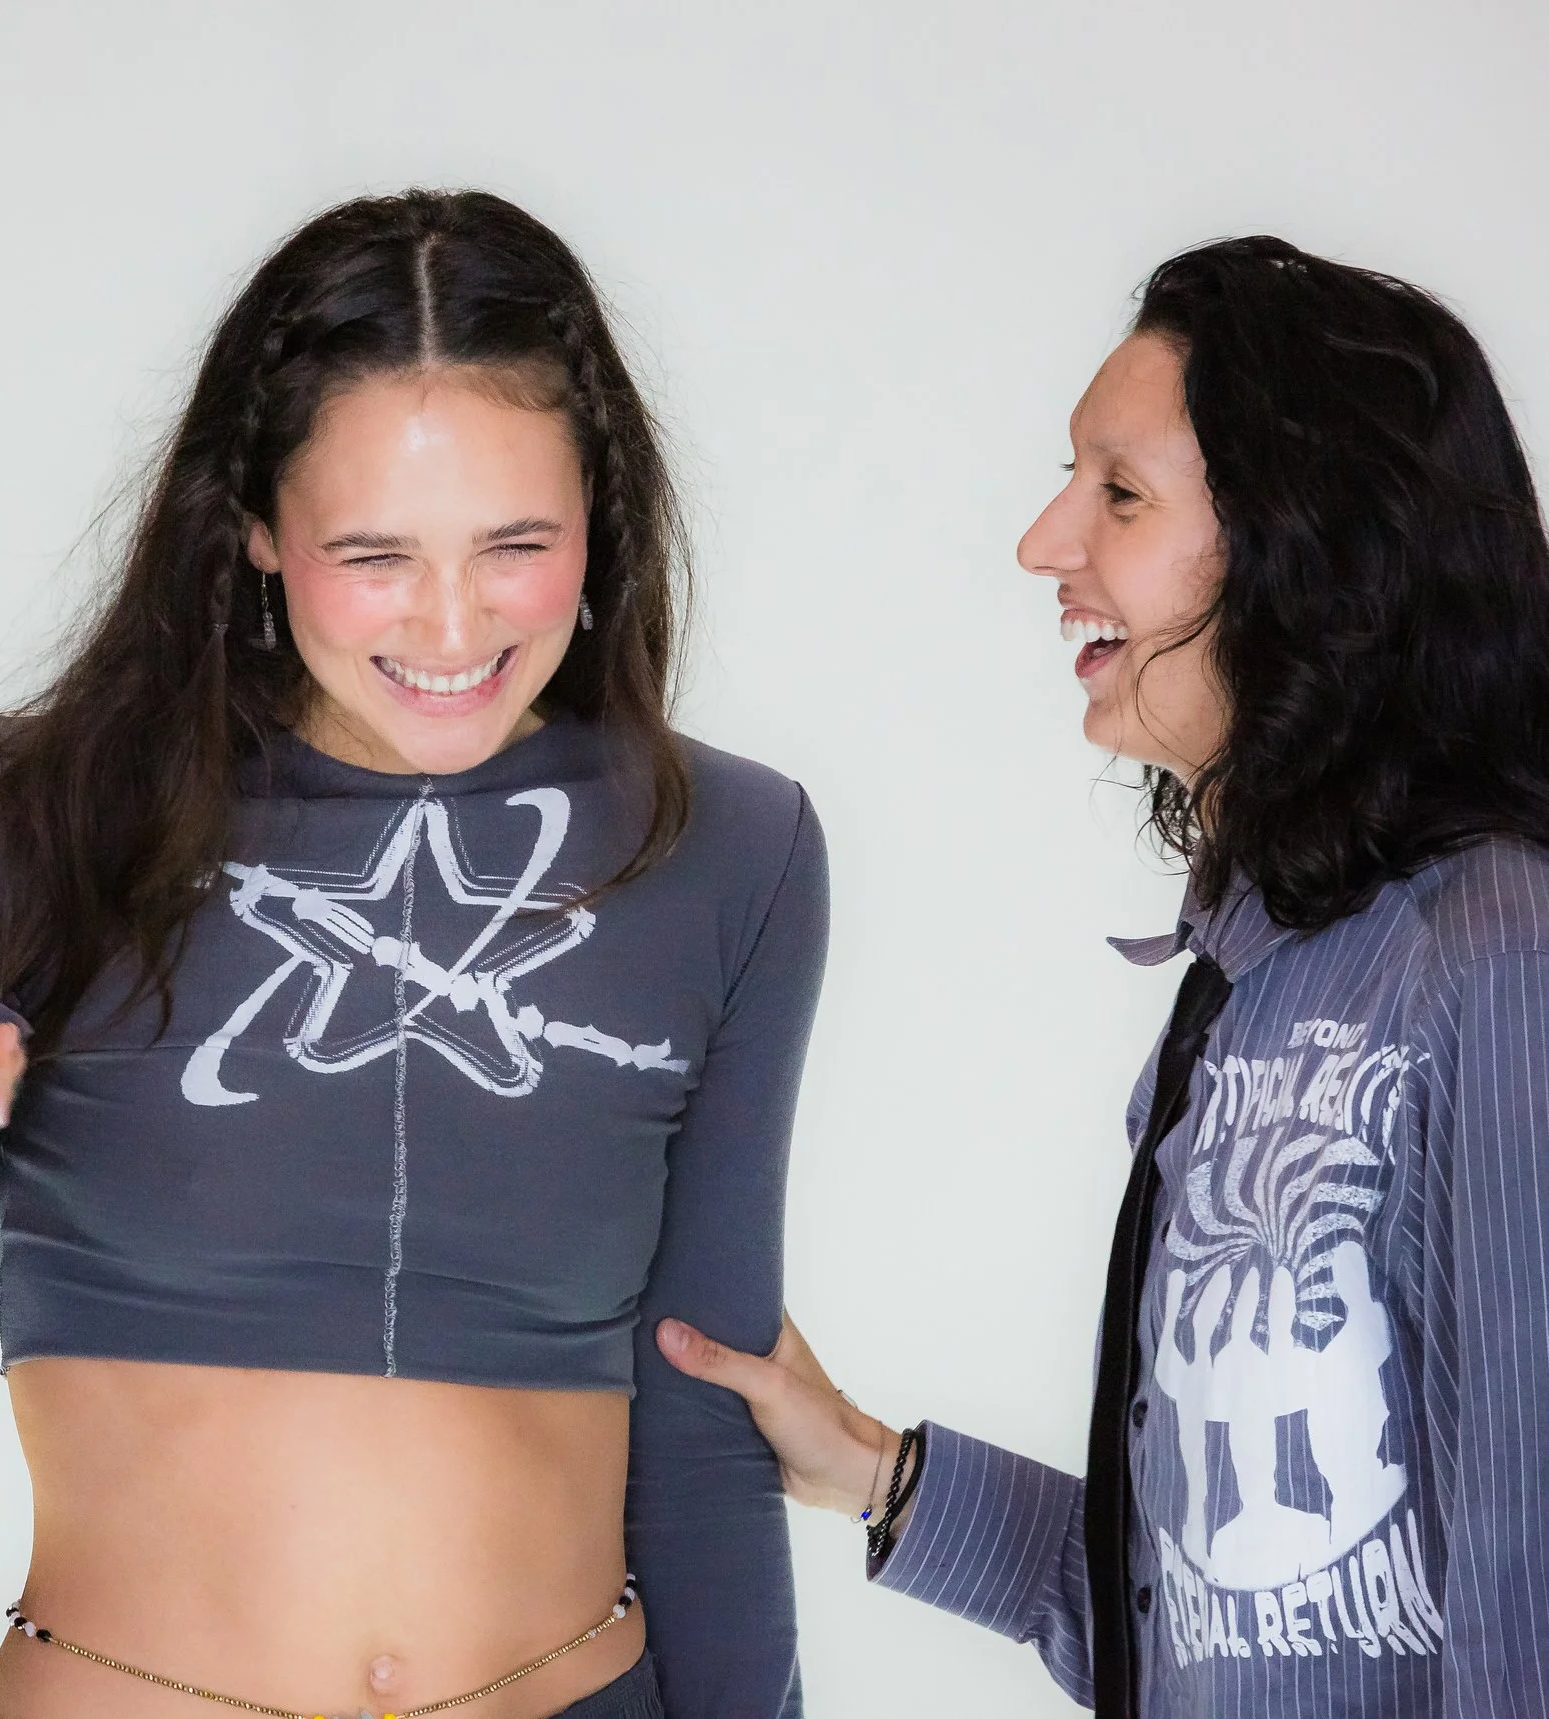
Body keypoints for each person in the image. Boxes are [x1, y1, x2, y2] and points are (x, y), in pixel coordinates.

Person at [0, 190, 828, 1719]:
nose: (453, 621)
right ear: (254, 525)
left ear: (602, 513)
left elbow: (709, 1404)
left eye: (517, 542)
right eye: (374, 552)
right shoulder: (37, 812)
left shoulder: (728, 841)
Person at [663, 237, 1549, 1716]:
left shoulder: (1500, 955)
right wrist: (879, 1470)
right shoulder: (1251, 973)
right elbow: (1208, 1619)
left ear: (1310, 551)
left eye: (1119, 494)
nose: (1044, 541)